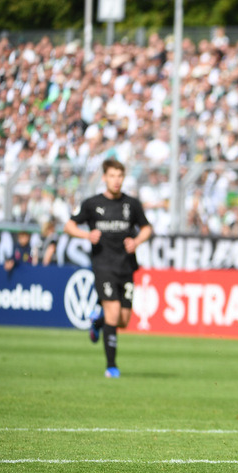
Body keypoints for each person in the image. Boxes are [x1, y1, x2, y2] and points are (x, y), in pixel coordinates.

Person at [63, 158, 152, 378]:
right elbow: (69, 225)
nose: (116, 180)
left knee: (123, 319)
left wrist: (137, 241)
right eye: (112, 176)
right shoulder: (93, 204)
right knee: (113, 313)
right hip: (103, 266)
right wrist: (87, 234)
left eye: (119, 176)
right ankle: (111, 366)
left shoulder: (131, 204)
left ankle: (98, 321)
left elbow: (147, 228)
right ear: (104, 178)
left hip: (126, 267)